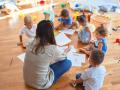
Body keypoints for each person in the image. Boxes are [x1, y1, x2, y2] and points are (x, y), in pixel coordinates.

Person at [23, 20, 72, 89]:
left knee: (47, 61)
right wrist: (66, 50)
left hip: (27, 79)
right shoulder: (51, 48)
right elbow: (63, 57)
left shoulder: (30, 41)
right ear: (51, 33)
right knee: (68, 63)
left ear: (37, 31)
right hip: (41, 84)